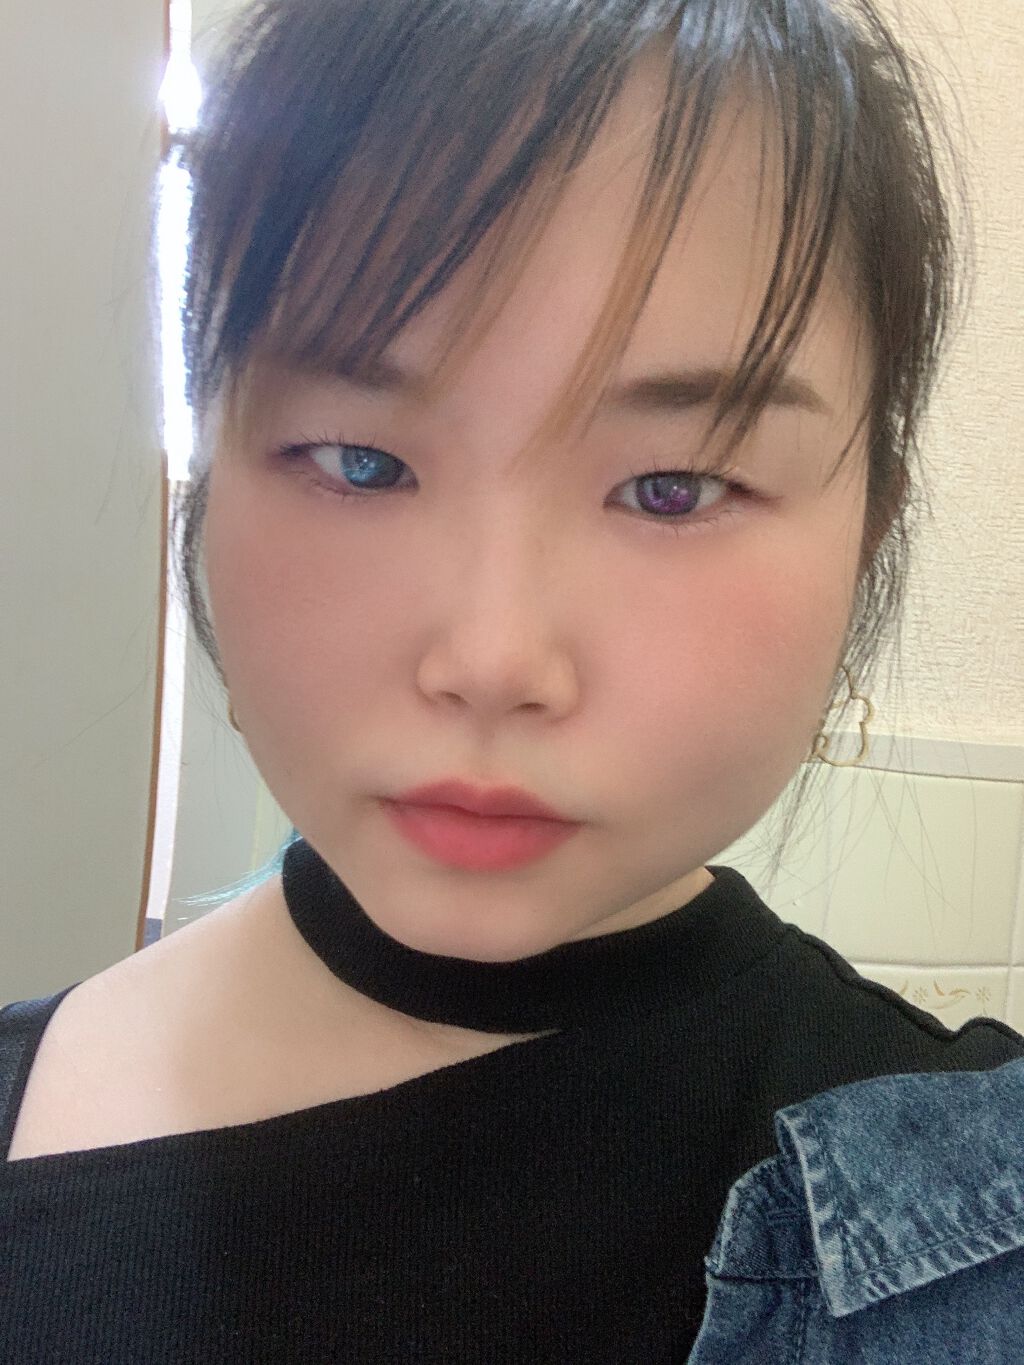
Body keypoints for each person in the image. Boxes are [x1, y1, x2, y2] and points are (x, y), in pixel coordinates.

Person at [2, 0, 1023, 1359]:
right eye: (362, 462)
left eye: (672, 488)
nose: (491, 660)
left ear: (866, 534)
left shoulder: (981, 1229)